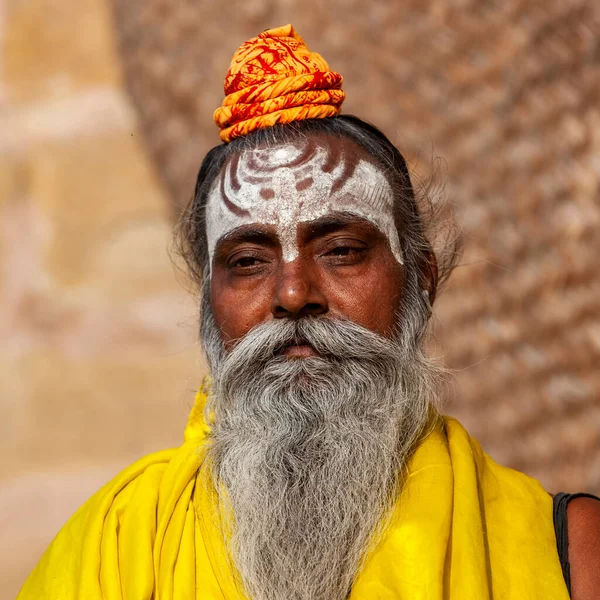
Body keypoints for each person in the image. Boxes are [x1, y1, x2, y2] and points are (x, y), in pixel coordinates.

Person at [18, 24, 600, 600]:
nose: (293, 294)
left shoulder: (575, 553)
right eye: (247, 261)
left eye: (342, 251)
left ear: (421, 281)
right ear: (206, 304)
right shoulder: (116, 544)